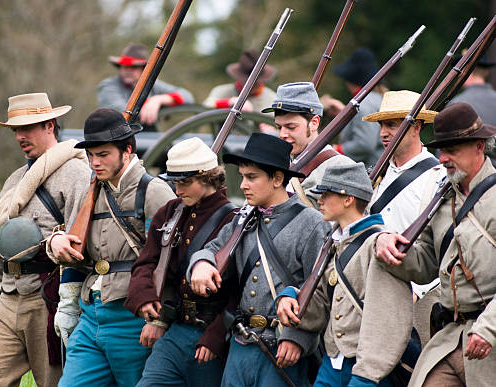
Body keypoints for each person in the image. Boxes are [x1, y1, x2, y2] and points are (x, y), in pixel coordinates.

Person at [0, 92, 91, 386]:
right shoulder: (15, 178)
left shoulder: (77, 173)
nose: (20, 136)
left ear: (50, 126)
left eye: (27, 128)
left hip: (50, 299)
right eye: (16, 130)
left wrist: (70, 299)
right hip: (7, 298)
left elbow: (82, 240)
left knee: (55, 383)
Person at [188, 133, 331, 387]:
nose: (242, 185)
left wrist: (298, 337)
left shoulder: (312, 223)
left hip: (282, 346)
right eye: (243, 176)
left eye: (251, 177)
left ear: (277, 179)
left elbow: (318, 289)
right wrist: (201, 263)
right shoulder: (243, 217)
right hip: (240, 344)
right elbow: (212, 248)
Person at [47, 108, 176, 386]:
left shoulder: (153, 192)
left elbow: (169, 262)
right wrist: (67, 303)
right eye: (91, 155)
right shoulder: (90, 192)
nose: (94, 162)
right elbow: (76, 250)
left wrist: (159, 320)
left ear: (127, 150)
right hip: (91, 317)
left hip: (133, 319)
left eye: (103, 154)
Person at [374, 102, 496, 386]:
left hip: (489, 334)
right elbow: (425, 264)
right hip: (451, 336)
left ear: (479, 147)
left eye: (452, 150)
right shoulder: (444, 199)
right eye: (441, 150)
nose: (442, 159)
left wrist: (488, 329)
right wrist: (385, 245)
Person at [276, 162, 414, 386]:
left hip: (367, 371)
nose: (318, 200)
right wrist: (291, 296)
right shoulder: (334, 242)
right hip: (332, 363)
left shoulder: (378, 245)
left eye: (326, 194)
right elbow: (321, 301)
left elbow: (388, 319)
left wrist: (366, 377)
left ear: (348, 199)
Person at [125, 137, 237, 387]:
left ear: (208, 178)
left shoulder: (233, 220)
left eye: (185, 182)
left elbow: (239, 290)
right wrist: (145, 298)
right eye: (175, 182)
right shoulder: (169, 212)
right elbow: (146, 263)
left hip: (210, 336)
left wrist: (216, 336)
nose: (178, 190)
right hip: (175, 328)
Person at [363, 90, 445, 339]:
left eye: (391, 125)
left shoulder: (438, 177)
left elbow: (440, 246)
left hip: (420, 296)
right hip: (374, 291)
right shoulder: (376, 175)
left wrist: (418, 290)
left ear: (416, 127)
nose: (383, 133)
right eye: (381, 125)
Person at [262, 82, 355, 209]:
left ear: (314, 123)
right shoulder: (277, 163)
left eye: (291, 127)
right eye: (279, 127)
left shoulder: (341, 168)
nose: (282, 134)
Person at [97, 43, 194, 127]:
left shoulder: (152, 85)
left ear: (144, 70)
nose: (128, 71)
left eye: (134, 67)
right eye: (125, 66)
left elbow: (187, 96)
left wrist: (158, 100)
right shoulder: (108, 86)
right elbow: (121, 111)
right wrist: (147, 104)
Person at [322, 48, 384, 167]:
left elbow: (365, 144)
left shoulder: (364, 104)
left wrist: (336, 149)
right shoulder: (375, 99)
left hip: (369, 170)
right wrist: (343, 113)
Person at [448, 53, 496, 167]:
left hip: (470, 176)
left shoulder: (456, 105)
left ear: (464, 72)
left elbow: (446, 149)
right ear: (486, 72)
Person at [204, 49, 277, 113]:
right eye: (246, 81)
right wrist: (231, 102)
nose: (251, 85)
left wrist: (273, 128)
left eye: (255, 82)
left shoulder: (273, 99)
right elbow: (207, 105)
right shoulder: (222, 91)